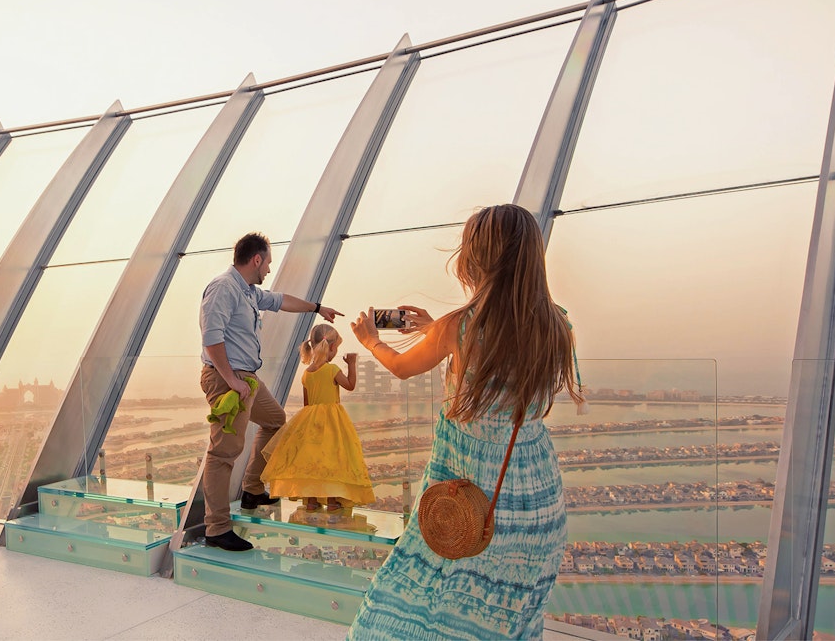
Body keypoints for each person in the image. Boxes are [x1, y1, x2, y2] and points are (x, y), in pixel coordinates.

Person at [346, 204, 587, 640]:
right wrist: (434, 327)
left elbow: (401, 367)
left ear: (478, 256)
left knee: (417, 599)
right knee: (507, 617)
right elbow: (501, 347)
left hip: (467, 492)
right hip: (536, 497)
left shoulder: (459, 327)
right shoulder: (557, 324)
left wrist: (371, 341)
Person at [199, 232, 342, 551]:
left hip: (246, 379)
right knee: (223, 453)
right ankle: (216, 528)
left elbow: (280, 300)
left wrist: (318, 308)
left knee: (275, 419)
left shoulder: (248, 291)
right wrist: (231, 380)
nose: (268, 269)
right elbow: (211, 338)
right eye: (267, 263)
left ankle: (251, 489)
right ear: (256, 260)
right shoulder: (223, 288)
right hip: (228, 380)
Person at [260, 323, 376, 512]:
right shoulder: (332, 369)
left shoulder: (307, 373)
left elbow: (307, 403)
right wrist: (351, 364)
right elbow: (350, 385)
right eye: (336, 348)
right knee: (331, 459)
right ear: (332, 347)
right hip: (332, 422)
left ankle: (312, 501)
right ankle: (332, 501)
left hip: (309, 421)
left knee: (311, 460)